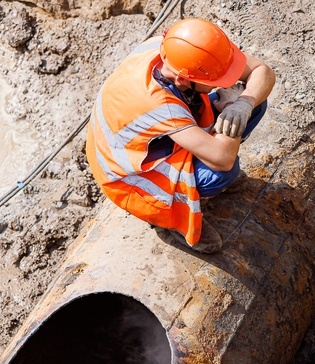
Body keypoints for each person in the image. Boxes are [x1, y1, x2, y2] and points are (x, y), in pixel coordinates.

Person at [86, 18, 275, 253]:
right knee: (221, 173)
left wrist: (244, 103)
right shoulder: (160, 104)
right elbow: (223, 158)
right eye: (216, 80)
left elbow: (261, 70)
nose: (227, 81)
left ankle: (201, 154)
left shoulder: (174, 50)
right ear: (184, 80)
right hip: (133, 178)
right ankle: (167, 218)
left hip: (154, 138)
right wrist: (229, 108)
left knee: (254, 102)